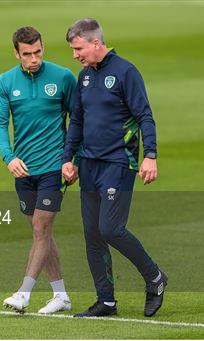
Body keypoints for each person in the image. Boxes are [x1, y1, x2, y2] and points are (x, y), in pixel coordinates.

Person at [62, 18, 168, 318]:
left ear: (96, 43)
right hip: (89, 164)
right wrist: (67, 159)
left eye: (78, 48)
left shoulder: (125, 72)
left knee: (110, 228)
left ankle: (155, 278)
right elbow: (78, 122)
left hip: (119, 162)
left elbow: (145, 115)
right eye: (72, 49)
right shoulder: (84, 77)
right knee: (92, 235)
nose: (75, 55)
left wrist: (151, 155)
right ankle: (106, 301)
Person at [0, 26, 77, 314]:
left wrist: (72, 159)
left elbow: (79, 120)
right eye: (27, 54)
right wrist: (9, 157)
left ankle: (23, 293)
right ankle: (61, 296)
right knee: (42, 232)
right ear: (16, 53)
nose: (34, 59)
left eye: (38, 52)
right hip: (24, 170)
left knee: (42, 226)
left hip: (55, 166)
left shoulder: (64, 77)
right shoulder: (5, 82)